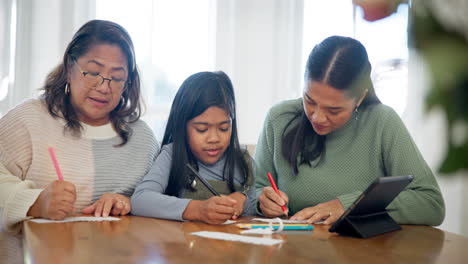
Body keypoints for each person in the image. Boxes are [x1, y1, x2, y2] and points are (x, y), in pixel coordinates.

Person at [255, 36, 445, 226]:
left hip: (362, 252)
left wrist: (350, 205)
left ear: (360, 98)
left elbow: (430, 203)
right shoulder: (279, 118)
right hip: (292, 249)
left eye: (334, 110)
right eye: (310, 100)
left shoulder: (382, 121)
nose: (317, 117)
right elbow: (256, 189)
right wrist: (261, 201)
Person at [0, 20, 159, 232]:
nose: (104, 87)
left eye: (117, 78)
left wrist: (130, 203)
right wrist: (34, 202)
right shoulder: (28, 120)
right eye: (93, 72)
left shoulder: (143, 139)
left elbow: (160, 200)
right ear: (69, 68)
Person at [131, 71, 256, 224]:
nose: (214, 139)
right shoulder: (172, 155)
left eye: (224, 128)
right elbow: (140, 200)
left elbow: (258, 205)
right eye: (202, 129)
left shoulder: (243, 162)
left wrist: (243, 201)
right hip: (184, 245)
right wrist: (198, 209)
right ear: (182, 126)